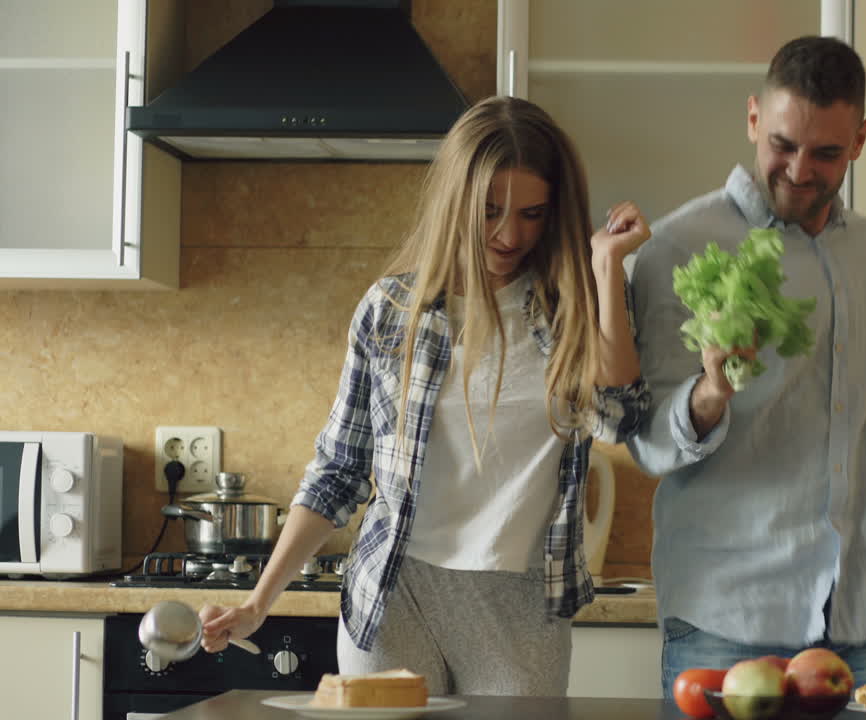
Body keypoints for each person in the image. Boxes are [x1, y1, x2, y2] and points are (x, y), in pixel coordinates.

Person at [197, 95, 652, 697]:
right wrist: (258, 602)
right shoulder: (391, 313)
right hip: (395, 593)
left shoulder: (574, 305)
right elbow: (338, 471)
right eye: (489, 210)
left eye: (532, 213)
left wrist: (604, 269)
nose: (509, 234)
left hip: (520, 607)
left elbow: (620, 419)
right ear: (455, 201)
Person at [625, 36, 866, 696]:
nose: (801, 170)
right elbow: (648, 445)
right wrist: (712, 392)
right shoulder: (678, 248)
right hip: (730, 616)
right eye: (783, 143)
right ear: (753, 119)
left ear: (860, 139)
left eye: (826, 152)